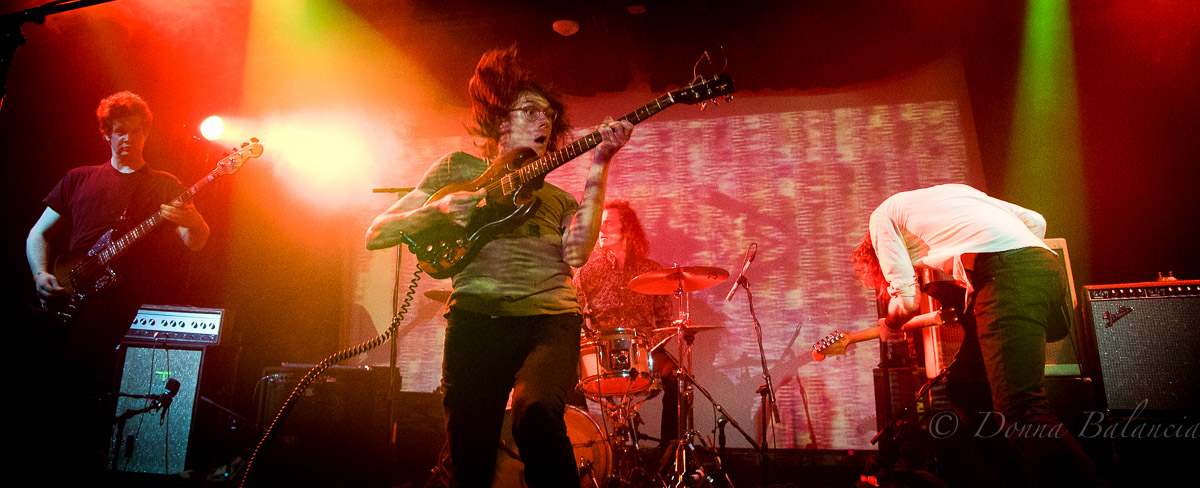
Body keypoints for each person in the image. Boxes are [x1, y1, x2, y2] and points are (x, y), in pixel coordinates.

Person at [365, 47, 633, 487]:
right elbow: (377, 233)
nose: (544, 122)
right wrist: (437, 211)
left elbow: (577, 253)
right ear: (498, 119)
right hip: (475, 321)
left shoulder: (558, 199)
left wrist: (600, 164)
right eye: (530, 111)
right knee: (469, 452)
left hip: (547, 322)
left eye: (549, 115)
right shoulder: (456, 169)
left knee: (537, 414)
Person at [851, 183, 1105, 488]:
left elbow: (906, 302)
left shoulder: (881, 218)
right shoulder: (952, 194)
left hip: (1005, 276)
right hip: (1043, 266)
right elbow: (1036, 221)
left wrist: (890, 324)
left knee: (1022, 411)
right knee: (968, 387)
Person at [24, 90, 210, 472]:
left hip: (115, 298)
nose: (127, 139)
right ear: (106, 133)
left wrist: (195, 221)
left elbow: (196, 242)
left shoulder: (163, 184)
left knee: (72, 375)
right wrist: (41, 273)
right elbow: (37, 234)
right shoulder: (79, 178)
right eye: (120, 131)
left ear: (146, 134)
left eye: (136, 131)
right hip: (66, 292)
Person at [572, 199, 679, 444]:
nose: (601, 230)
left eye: (608, 224)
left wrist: (646, 346)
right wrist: (586, 341)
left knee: (678, 378)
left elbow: (666, 322)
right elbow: (572, 316)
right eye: (599, 224)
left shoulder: (651, 270)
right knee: (567, 379)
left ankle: (669, 451)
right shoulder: (587, 272)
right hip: (603, 354)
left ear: (627, 229)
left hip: (645, 352)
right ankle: (590, 447)